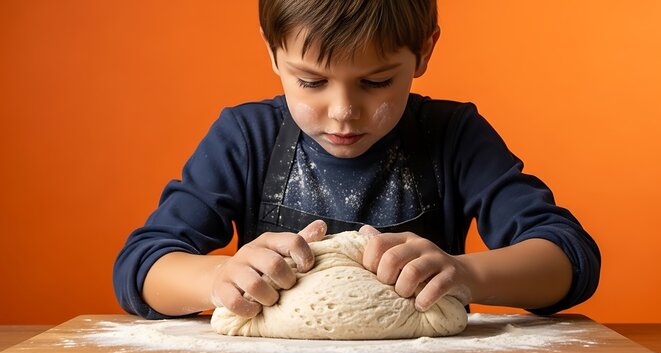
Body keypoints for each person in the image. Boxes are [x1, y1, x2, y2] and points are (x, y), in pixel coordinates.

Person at [114, 0, 600, 320]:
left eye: (376, 82)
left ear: (425, 51)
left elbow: (569, 258)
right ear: (273, 54)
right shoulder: (246, 138)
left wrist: (467, 273)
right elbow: (142, 266)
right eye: (310, 82)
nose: (344, 112)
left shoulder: (453, 137)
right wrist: (217, 279)